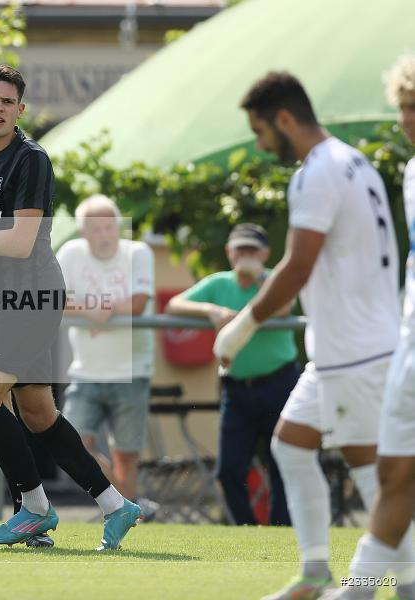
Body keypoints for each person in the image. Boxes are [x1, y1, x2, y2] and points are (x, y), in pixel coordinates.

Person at [0, 64, 141, 550]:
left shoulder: (32, 160)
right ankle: (115, 506)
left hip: (32, 299)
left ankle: (35, 509)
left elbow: (20, 243)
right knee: (39, 414)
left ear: (20, 110)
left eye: (7, 102)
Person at [214, 71, 413, 600]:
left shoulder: (316, 172)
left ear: (284, 119)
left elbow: (297, 266)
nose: (260, 145)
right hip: (344, 349)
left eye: (260, 132)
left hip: (355, 351)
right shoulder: (355, 160)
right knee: (290, 445)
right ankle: (316, 571)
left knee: (375, 474)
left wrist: (241, 328)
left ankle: (397, 583)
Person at [321, 53, 415, 600]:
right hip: (407, 348)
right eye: (405, 107)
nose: (408, 119)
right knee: (394, 477)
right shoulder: (410, 172)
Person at [166, 222, 296, 526]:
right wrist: (210, 310)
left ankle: (281, 530)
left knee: (282, 464)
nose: (246, 256)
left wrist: (259, 278)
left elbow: (284, 307)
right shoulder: (219, 284)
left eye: (252, 250)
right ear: (229, 252)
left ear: (265, 254)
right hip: (237, 388)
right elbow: (174, 305)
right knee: (228, 470)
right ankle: (246, 530)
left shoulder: (273, 280)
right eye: (241, 250)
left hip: (280, 383)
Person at [57, 194, 154, 505]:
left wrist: (103, 308)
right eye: (96, 228)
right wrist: (91, 308)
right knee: (70, 444)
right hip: (85, 370)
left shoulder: (138, 252)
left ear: (119, 227)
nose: (104, 235)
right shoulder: (71, 253)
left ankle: (127, 516)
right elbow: (52, 298)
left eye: (109, 227)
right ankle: (126, 505)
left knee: (126, 454)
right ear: (83, 232)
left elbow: (138, 303)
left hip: (132, 369)